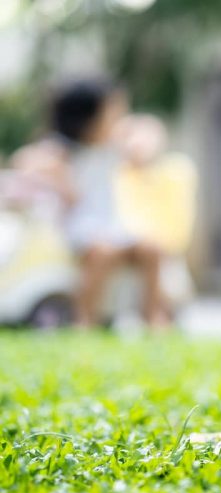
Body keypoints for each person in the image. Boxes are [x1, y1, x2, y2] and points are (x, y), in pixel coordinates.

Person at [48, 79, 167, 329]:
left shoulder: (113, 149)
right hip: (82, 227)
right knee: (102, 253)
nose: (118, 119)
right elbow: (33, 165)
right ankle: (85, 318)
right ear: (86, 118)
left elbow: (144, 153)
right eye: (111, 113)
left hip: (113, 225)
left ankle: (154, 316)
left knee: (152, 249)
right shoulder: (63, 152)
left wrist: (142, 136)